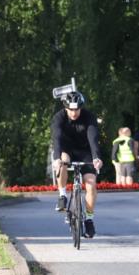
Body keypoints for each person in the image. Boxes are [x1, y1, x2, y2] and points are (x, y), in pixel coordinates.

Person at [50, 91, 103, 238]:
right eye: (71, 110)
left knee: (91, 184)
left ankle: (89, 220)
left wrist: (96, 158)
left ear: (81, 108)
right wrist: (56, 158)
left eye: (77, 109)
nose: (74, 113)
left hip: (85, 151)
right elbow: (57, 138)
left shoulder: (89, 117)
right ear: (66, 108)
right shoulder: (59, 117)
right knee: (63, 162)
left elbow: (93, 138)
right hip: (66, 149)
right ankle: (62, 195)